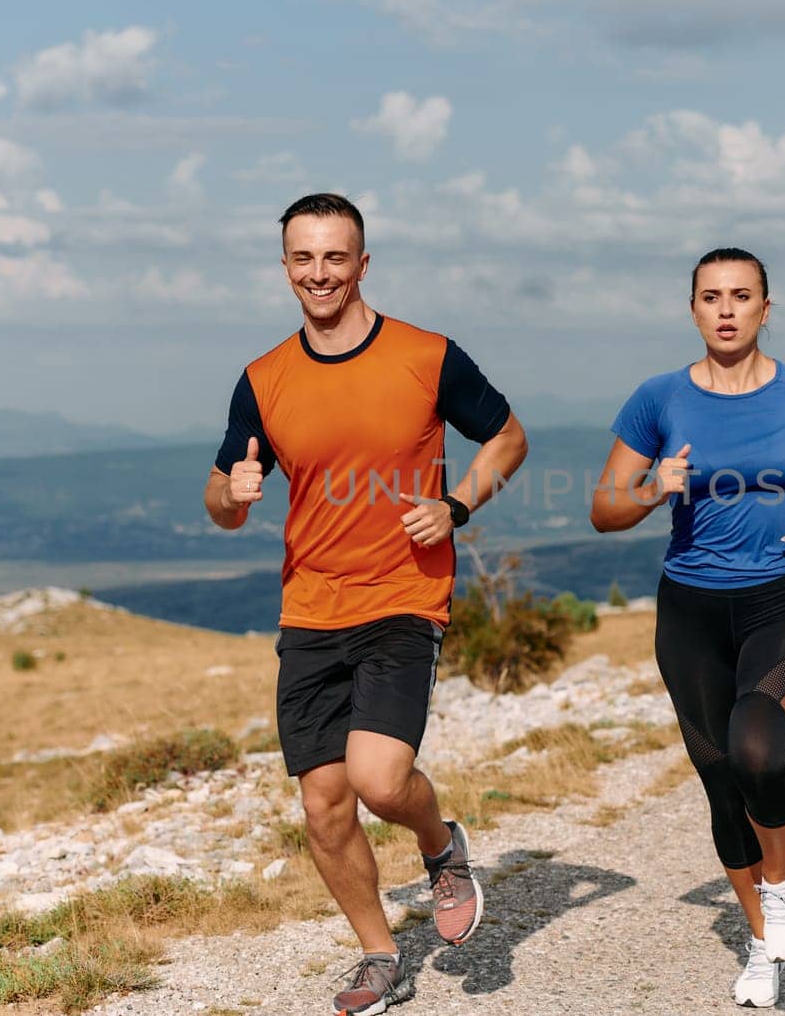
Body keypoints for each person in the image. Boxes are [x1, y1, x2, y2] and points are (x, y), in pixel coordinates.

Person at [205, 193, 529, 1016]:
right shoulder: (263, 379)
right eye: (303, 259)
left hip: (402, 594)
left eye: (335, 257)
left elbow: (509, 436)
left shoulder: (426, 355)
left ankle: (438, 843)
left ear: (362, 263)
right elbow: (220, 492)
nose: (320, 273)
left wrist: (456, 506)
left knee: (379, 780)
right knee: (322, 802)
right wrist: (233, 494)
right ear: (285, 267)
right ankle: (379, 952)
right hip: (310, 608)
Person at [589, 247, 785, 1008]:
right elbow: (604, 506)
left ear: (765, 308)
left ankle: (782, 884)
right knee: (722, 785)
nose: (725, 309)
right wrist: (654, 489)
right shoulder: (659, 399)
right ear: (692, 310)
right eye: (710, 296)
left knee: (758, 746)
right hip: (691, 613)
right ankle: (760, 943)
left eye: (741, 296)